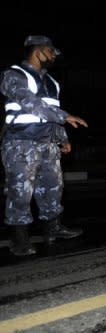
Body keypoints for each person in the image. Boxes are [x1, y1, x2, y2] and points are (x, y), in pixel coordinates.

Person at [0, 35, 89, 256]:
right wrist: (65, 116)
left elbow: (51, 112)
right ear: (38, 50)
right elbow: (30, 103)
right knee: (20, 193)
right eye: (50, 52)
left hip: (48, 143)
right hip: (21, 143)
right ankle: (19, 240)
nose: (53, 56)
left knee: (53, 188)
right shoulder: (13, 75)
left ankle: (54, 229)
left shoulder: (52, 82)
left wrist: (63, 138)